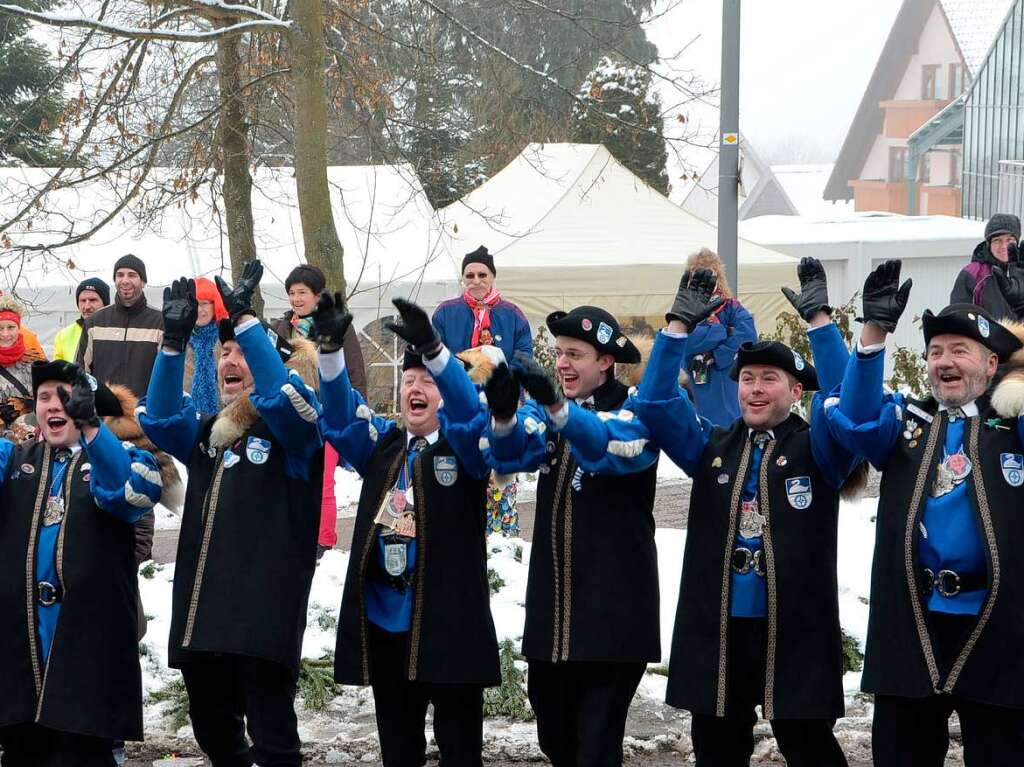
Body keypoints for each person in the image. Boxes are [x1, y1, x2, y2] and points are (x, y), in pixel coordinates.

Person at [629, 260, 860, 766]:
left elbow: (852, 406)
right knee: (716, 750)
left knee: (809, 747)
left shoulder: (818, 446)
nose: (754, 388)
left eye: (769, 379)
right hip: (720, 627)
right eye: (747, 378)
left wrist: (820, 322)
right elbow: (655, 402)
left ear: (796, 391)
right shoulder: (712, 446)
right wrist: (676, 330)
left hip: (793, 626)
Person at [826, 260, 1024, 765]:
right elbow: (854, 418)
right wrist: (873, 334)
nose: (944, 361)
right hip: (912, 623)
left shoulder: (1012, 429)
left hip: (998, 626)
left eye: (960, 350)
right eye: (936, 351)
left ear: (992, 365)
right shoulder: (906, 423)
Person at [139, 262, 323, 767]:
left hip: (263, 620)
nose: (229, 359)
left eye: (240, 351)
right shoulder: (207, 434)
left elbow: (278, 397)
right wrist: (173, 345)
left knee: (274, 741)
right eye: (224, 351)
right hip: (204, 619)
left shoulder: (295, 436)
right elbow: (158, 418)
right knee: (216, 738)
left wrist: (245, 320)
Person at [316, 293, 500, 767]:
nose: (415, 388)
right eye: (408, 379)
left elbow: (473, 415)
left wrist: (439, 353)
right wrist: (331, 352)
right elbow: (338, 417)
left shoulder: (467, 447)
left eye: (428, 381)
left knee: (461, 753)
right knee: (398, 752)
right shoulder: (384, 444)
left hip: (449, 625)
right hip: (386, 624)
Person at [478, 305, 660, 767]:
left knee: (595, 749)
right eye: (558, 353)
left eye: (575, 354)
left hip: (614, 618)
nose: (562, 363)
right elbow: (508, 459)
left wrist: (558, 412)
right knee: (556, 741)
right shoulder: (547, 410)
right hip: (553, 616)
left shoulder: (636, 410)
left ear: (605, 361)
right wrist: (503, 416)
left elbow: (605, 447)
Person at [0, 360, 162, 766]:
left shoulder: (118, 456)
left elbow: (128, 494)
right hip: (23, 645)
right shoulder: (16, 460)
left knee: (81, 754)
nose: (53, 405)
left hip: (86, 645)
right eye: (43, 398)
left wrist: (93, 430)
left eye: (65, 397)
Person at [432, 245, 533, 536]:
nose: (476, 280)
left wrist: (499, 372)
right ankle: (456, 533)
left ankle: (501, 541)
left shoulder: (513, 314)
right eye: (469, 275)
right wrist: (462, 369)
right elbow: (434, 356)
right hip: (457, 407)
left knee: (500, 474)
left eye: (482, 274)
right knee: (456, 471)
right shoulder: (446, 312)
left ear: (493, 276)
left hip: (500, 408)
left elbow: (525, 357)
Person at [272, 263, 367, 559]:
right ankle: (291, 533)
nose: (296, 299)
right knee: (289, 478)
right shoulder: (281, 328)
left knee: (323, 478)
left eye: (302, 292)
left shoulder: (336, 325)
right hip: (289, 413)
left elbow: (355, 370)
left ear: (317, 295)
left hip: (327, 412)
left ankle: (323, 539)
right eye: (291, 293)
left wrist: (354, 408)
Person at [679, 248, 757, 426]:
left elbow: (747, 337)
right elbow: (688, 341)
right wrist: (723, 331)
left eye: (709, 272)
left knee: (731, 429)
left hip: (729, 380)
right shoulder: (685, 310)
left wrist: (715, 355)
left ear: (718, 275)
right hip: (695, 381)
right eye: (697, 273)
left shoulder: (731, 307)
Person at [75, 254, 164, 399]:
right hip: (103, 416)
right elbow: (80, 374)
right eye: (120, 275)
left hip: (144, 415)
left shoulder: (160, 322)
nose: (125, 280)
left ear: (143, 282)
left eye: (132, 275)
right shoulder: (94, 323)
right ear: (114, 280)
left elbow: (166, 375)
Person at [949, 212, 1021, 317]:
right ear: (988, 244)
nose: (1004, 246)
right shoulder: (972, 274)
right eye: (997, 240)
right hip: (985, 333)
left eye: (1009, 240)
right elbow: (958, 316)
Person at [182, 277, 229, 417]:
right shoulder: (177, 339)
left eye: (204, 303)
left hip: (225, 419)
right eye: (195, 304)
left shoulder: (227, 338)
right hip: (186, 419)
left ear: (215, 304)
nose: (199, 310)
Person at [53, 278, 110, 362]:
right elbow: (57, 371)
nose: (87, 306)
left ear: (105, 303)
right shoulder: (63, 335)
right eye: (83, 301)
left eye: (92, 300)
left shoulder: (118, 331)